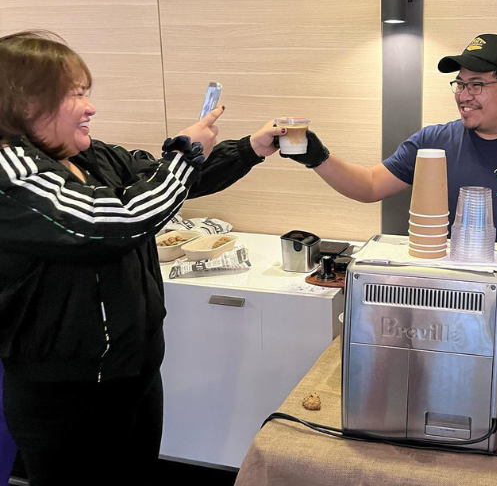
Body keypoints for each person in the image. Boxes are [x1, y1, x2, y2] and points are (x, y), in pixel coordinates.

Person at [0, 30, 284, 485]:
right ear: (27, 104)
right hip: (65, 390)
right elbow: (111, 222)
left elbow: (164, 182)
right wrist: (185, 155)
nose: (90, 107)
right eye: (76, 94)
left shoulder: (91, 156)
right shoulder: (10, 172)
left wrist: (248, 149)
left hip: (133, 369)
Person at [281, 34, 497, 326]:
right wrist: (316, 156)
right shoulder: (433, 142)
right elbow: (371, 185)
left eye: (476, 85)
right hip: (445, 309)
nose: (463, 96)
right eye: (460, 84)